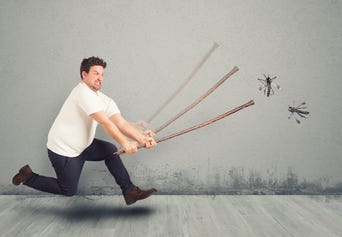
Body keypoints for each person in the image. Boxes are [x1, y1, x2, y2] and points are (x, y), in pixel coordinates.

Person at [12, 56, 157, 205]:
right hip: (64, 150)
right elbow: (106, 123)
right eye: (95, 73)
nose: (100, 78)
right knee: (68, 190)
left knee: (110, 150)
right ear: (84, 75)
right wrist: (125, 142)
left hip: (84, 145)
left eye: (102, 74)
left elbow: (120, 123)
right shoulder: (81, 93)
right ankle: (28, 177)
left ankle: (130, 191)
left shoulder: (104, 100)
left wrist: (141, 137)